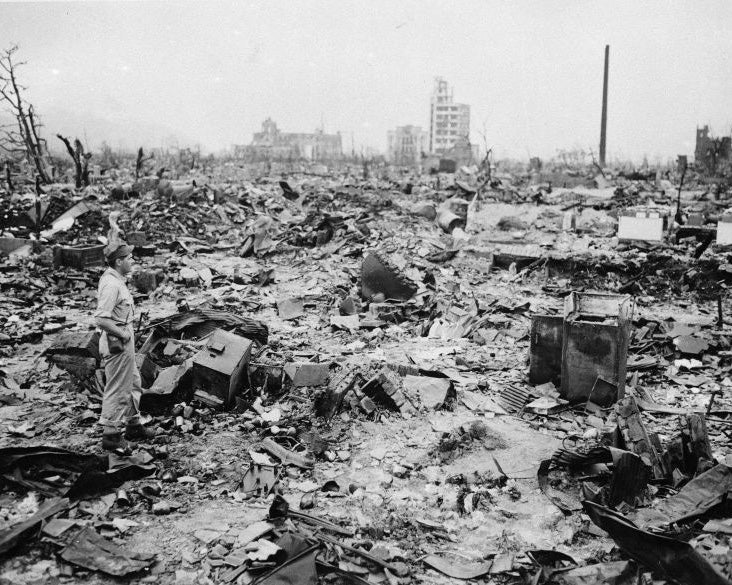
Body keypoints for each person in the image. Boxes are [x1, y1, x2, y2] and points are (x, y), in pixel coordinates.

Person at [94, 240, 155, 451]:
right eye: (129, 258)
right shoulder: (111, 284)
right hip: (117, 341)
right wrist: (123, 334)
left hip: (123, 335)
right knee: (119, 386)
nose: (132, 261)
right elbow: (101, 319)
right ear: (119, 261)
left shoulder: (117, 279)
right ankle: (110, 434)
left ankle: (133, 424)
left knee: (133, 381)